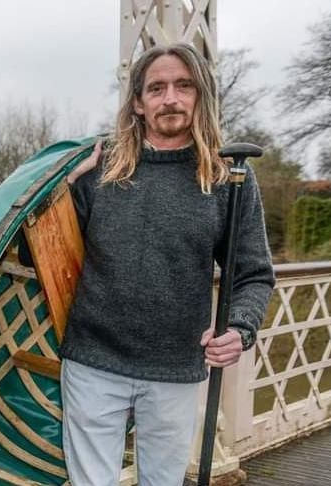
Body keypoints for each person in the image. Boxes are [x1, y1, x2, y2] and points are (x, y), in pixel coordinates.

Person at [59, 43, 275, 486]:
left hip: (177, 366)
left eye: (183, 86)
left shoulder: (227, 175)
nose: (171, 98)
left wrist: (239, 328)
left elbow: (252, 273)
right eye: (156, 88)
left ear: (200, 95)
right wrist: (62, 190)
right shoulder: (100, 171)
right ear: (138, 103)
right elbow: (40, 254)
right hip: (93, 362)